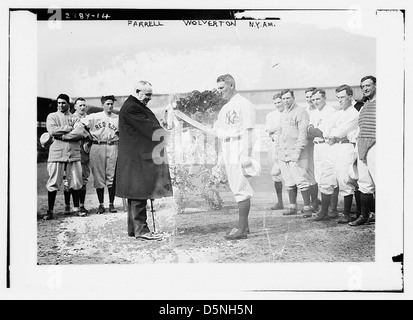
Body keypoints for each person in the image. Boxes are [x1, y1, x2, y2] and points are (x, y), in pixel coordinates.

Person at [115, 81, 173, 241]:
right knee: (139, 192)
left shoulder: (132, 105)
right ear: (137, 91)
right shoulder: (132, 107)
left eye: (150, 94)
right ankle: (142, 230)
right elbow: (149, 129)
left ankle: (135, 230)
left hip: (136, 157)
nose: (149, 98)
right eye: (147, 94)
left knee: (135, 193)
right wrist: (168, 134)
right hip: (137, 158)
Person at [212, 74, 256, 240]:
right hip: (228, 146)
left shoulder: (245, 104)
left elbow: (249, 131)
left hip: (239, 146)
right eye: (218, 88)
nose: (219, 91)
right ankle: (244, 226)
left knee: (240, 187)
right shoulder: (225, 108)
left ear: (231, 85)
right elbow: (216, 129)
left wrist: (246, 154)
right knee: (235, 186)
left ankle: (242, 230)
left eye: (221, 87)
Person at [43, 94, 85, 220]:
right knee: (54, 181)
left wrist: (63, 136)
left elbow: (80, 132)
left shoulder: (75, 117)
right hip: (56, 153)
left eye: (63, 103)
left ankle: (76, 208)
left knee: (76, 181)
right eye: (59, 103)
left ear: (69, 104)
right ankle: (50, 210)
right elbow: (52, 131)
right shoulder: (52, 116)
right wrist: (67, 128)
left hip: (73, 154)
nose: (61, 105)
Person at [324, 85, 359, 224]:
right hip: (334, 148)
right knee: (332, 177)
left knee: (345, 179)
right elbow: (326, 130)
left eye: (342, 97)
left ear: (350, 96)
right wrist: (334, 134)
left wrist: (335, 134)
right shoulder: (338, 113)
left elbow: (339, 132)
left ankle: (347, 214)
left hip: (346, 148)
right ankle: (331, 210)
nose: (340, 100)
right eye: (338, 97)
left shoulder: (354, 113)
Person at [274, 89, 311, 216]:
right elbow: (279, 134)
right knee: (289, 181)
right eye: (283, 99)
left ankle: (307, 208)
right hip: (284, 154)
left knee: (301, 180)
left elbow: (303, 134)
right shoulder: (283, 113)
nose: (286, 101)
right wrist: (277, 151)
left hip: (297, 153)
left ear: (293, 98)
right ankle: (292, 207)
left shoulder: (301, 112)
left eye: (288, 98)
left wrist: (297, 152)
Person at [81, 95, 119, 214]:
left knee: (112, 176)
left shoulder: (117, 118)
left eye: (111, 104)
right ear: (102, 104)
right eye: (107, 104)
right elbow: (80, 124)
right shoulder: (94, 116)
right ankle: (101, 204)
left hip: (112, 145)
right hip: (97, 145)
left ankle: (111, 204)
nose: (110, 106)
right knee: (98, 176)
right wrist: (88, 137)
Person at [349, 75, 376, 226]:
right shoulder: (364, 105)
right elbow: (359, 129)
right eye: (363, 86)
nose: (365, 89)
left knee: (380, 181)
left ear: (375, 85)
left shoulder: (382, 103)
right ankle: (364, 216)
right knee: (364, 182)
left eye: (368, 85)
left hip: (376, 145)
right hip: (362, 144)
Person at [307, 89, 338, 221]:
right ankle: (327, 209)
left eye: (318, 99)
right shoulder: (313, 112)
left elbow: (321, 132)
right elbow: (309, 131)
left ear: (324, 98)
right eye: (313, 100)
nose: (315, 102)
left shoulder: (331, 111)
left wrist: (312, 130)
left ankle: (328, 210)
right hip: (317, 146)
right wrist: (312, 130)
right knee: (319, 176)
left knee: (328, 177)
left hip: (327, 145)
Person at [265, 93, 284, 210]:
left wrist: (276, 128)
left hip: (287, 145)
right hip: (274, 145)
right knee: (275, 174)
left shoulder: (289, 113)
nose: (278, 105)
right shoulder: (271, 115)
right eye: (275, 103)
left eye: (279, 102)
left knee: (292, 173)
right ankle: (280, 202)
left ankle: (295, 203)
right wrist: (281, 127)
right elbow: (269, 129)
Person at [73, 97, 92, 215]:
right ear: (75, 106)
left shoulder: (88, 119)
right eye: (80, 105)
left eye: (84, 105)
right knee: (72, 179)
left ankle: (82, 205)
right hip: (72, 151)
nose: (82, 107)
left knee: (84, 178)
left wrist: (88, 140)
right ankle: (71, 206)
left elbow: (92, 135)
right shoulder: (71, 118)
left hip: (84, 152)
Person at [304, 87, 321, 216]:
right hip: (309, 143)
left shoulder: (320, 110)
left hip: (321, 143)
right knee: (310, 171)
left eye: (312, 97)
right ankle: (313, 202)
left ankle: (328, 203)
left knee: (321, 171)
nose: (310, 100)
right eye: (308, 97)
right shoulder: (305, 111)